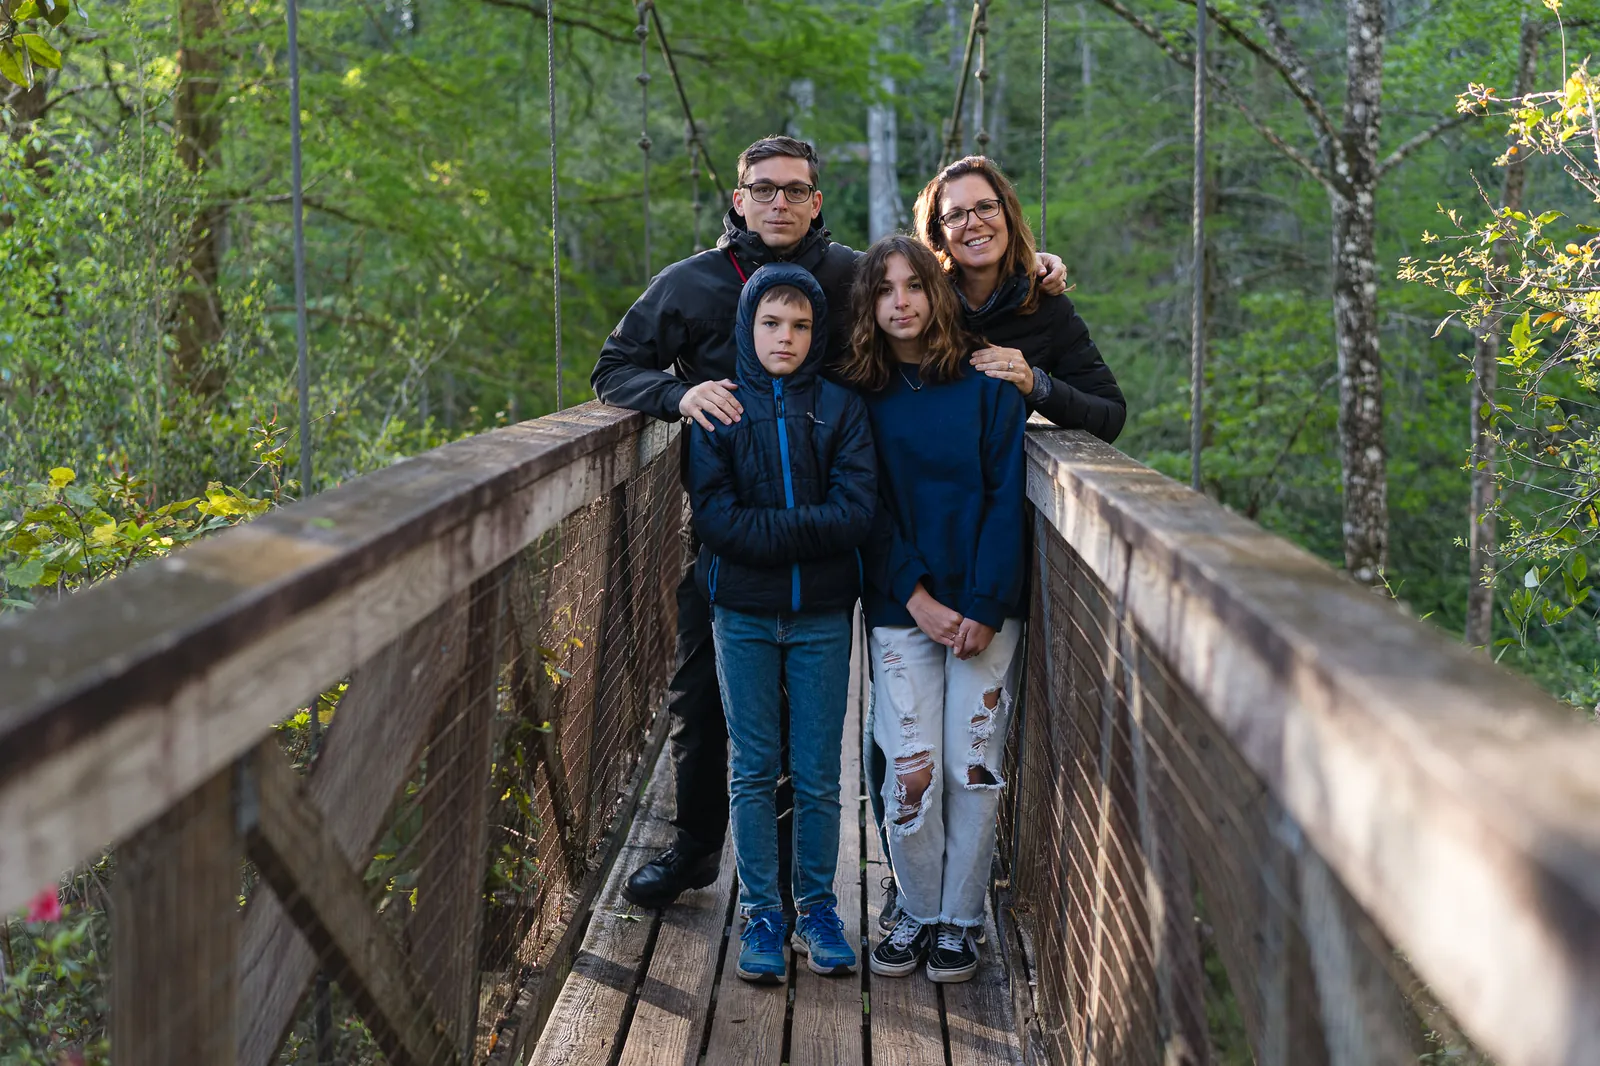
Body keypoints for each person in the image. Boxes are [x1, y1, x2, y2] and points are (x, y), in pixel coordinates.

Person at [591, 136, 1072, 910]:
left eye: (795, 190)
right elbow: (612, 369)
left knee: (853, 717)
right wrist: (677, 396)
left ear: (817, 200)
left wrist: (1027, 270)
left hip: (843, 535)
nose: (778, 202)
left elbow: (933, 292)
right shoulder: (690, 284)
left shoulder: (853, 277)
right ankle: (696, 845)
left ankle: (854, 874)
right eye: (763, 188)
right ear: (738, 198)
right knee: (701, 697)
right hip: (730, 537)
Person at [840, 235, 1026, 984]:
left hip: (985, 611)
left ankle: (959, 920)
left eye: (913, 286)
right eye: (883, 291)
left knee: (972, 766)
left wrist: (980, 605)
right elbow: (869, 509)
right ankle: (915, 908)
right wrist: (917, 598)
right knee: (912, 769)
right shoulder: (858, 396)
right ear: (868, 305)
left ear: (937, 292)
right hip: (899, 609)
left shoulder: (987, 392)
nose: (900, 302)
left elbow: (1003, 502)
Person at [688, 262, 874, 983]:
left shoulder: (841, 406)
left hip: (824, 616)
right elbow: (715, 519)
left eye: (800, 325)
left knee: (821, 772)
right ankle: (764, 914)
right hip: (743, 615)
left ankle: (819, 908)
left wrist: (773, 532)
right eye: (771, 322)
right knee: (756, 767)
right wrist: (807, 530)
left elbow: (856, 514)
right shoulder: (720, 409)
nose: (786, 337)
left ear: (817, 330)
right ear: (748, 326)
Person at [917, 155, 1125, 442]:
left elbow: (1110, 415)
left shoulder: (1046, 307)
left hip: (999, 483)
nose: (974, 223)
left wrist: (1035, 384)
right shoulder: (916, 302)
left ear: (1009, 217)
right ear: (938, 235)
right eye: (955, 215)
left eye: (986, 207)